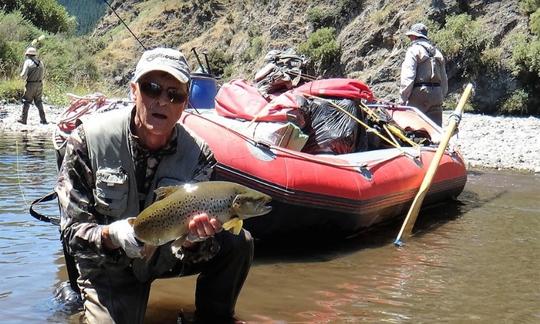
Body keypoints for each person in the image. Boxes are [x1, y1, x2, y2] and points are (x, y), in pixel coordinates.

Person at [55, 47, 252, 324]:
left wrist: (196, 241)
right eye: (152, 88)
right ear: (134, 90)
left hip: (166, 253)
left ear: (184, 102)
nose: (162, 101)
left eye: (174, 94)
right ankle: (78, 303)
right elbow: (71, 235)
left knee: (237, 242)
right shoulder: (87, 141)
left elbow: (191, 249)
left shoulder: (199, 156)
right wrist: (113, 235)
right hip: (110, 263)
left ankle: (213, 318)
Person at [399, 23, 448, 126]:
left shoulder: (413, 50)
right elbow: (444, 79)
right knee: (435, 129)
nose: (409, 38)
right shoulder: (437, 53)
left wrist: (402, 99)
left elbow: (408, 77)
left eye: (410, 36)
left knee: (414, 128)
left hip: (420, 94)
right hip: (437, 94)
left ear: (414, 36)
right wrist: (441, 96)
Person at [18, 46, 47, 125]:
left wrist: (20, 75)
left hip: (30, 84)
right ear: (35, 54)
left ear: (28, 54)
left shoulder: (27, 62)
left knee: (26, 101)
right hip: (40, 84)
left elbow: (23, 75)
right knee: (38, 101)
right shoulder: (41, 62)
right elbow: (43, 74)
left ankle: (23, 120)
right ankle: (43, 120)